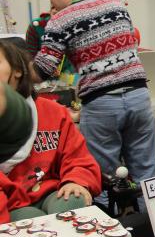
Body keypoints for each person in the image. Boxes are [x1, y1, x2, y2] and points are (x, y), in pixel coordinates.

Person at [32, 0, 155, 207]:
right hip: (139, 96)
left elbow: (44, 69)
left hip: (102, 104)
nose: (52, 6)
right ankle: (151, 234)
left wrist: (14, 72)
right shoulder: (117, 6)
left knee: (99, 178)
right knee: (146, 174)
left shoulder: (60, 20)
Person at [0, 39, 101, 222]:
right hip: (9, 202)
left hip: (49, 192)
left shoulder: (53, 112)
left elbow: (78, 158)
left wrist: (75, 180)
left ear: (18, 70)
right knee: (31, 219)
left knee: (71, 201)